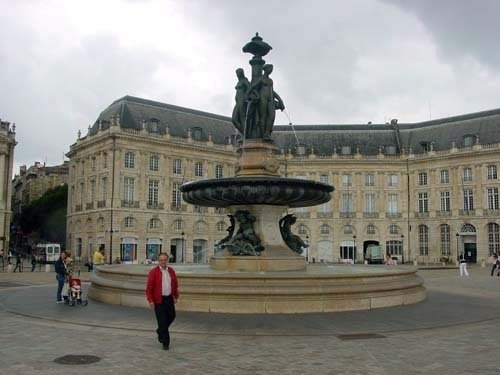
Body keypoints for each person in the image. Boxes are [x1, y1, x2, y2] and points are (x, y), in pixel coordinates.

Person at [146, 252, 179, 350]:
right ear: (158, 261)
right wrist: (150, 300)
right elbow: (149, 288)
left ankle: (160, 330)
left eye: (165, 260)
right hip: (158, 300)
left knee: (172, 316)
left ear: (167, 260)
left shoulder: (171, 271)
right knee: (162, 321)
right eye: (161, 260)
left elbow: (175, 285)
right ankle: (165, 342)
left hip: (169, 298)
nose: (163, 262)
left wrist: (175, 296)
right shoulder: (153, 272)